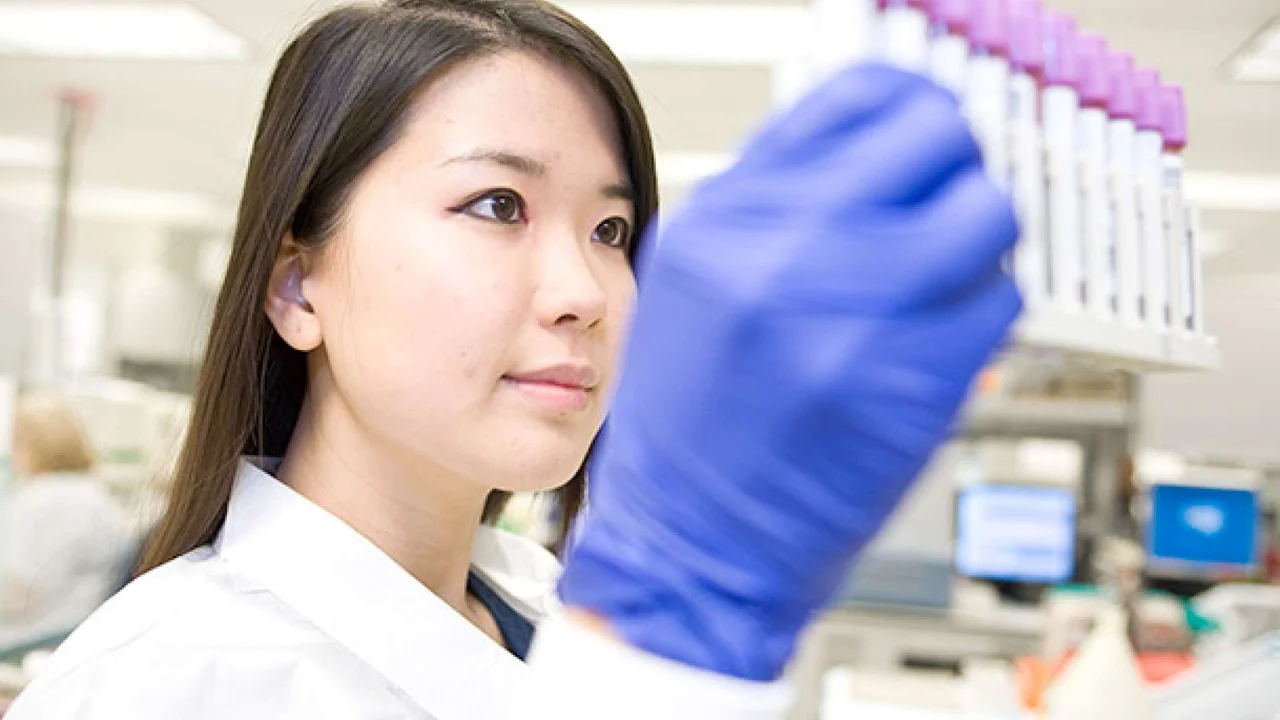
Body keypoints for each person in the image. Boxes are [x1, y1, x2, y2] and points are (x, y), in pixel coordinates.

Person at [5, 0, 1019, 718]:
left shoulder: (533, 598)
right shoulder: (163, 686)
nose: (586, 292)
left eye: (612, 230)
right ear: (298, 289)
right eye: (497, 206)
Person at [3, 394, 130, 636]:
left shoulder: (42, 499)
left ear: (30, 445)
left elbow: (21, 596)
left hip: (39, 634)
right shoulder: (93, 492)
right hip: (81, 626)